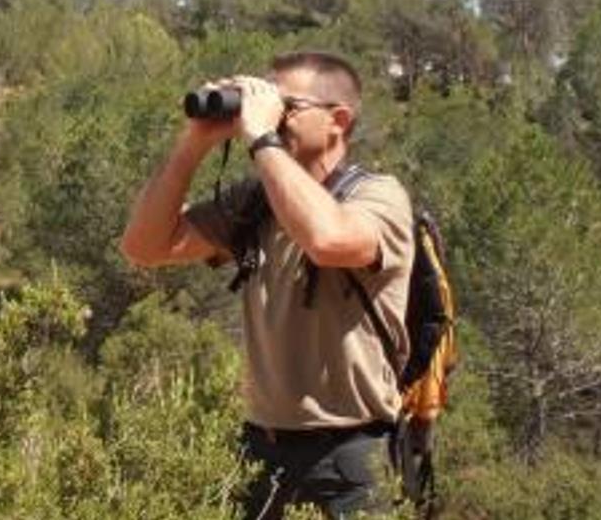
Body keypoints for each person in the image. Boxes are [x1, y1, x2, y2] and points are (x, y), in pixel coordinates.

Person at [119, 51, 414, 519]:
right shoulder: (256, 204)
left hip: (350, 455)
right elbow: (144, 246)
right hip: (261, 451)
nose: (271, 115)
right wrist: (192, 145)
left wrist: (260, 136)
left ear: (338, 121)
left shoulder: (379, 196)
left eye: (287, 106)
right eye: (266, 103)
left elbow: (327, 238)